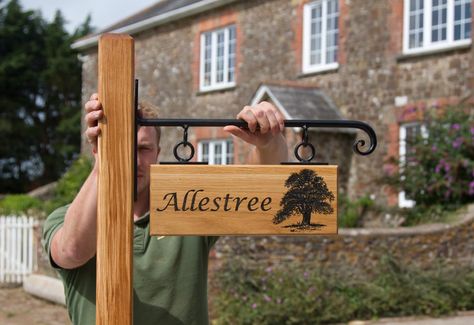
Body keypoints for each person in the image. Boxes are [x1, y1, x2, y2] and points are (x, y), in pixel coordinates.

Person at [42, 93, 288, 325]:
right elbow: (72, 250)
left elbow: (257, 192)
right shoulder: (66, 217)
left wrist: (268, 144)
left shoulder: (188, 209)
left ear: (157, 154)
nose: (134, 161)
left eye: (143, 149)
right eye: (123, 147)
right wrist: (105, 162)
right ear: (97, 151)